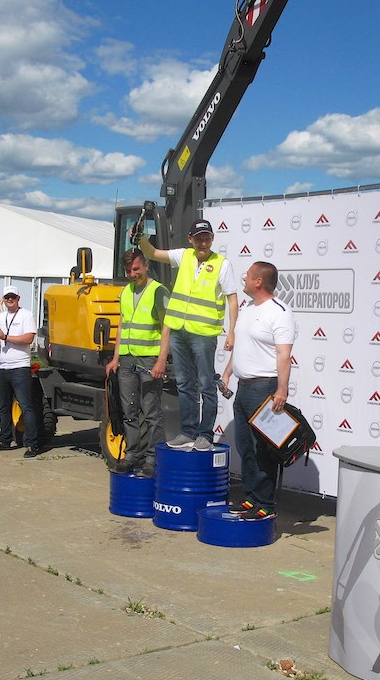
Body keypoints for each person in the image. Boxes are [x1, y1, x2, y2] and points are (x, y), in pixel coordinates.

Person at [139, 218, 238, 451]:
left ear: (212, 239)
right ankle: (188, 431)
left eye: (207, 237)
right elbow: (152, 253)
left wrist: (231, 332)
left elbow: (232, 299)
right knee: (184, 384)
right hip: (179, 331)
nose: (203, 242)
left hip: (203, 334)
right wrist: (139, 238)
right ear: (190, 239)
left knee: (205, 384)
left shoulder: (222, 264)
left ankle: (205, 433)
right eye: (199, 237)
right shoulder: (184, 255)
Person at [220, 262, 296, 521]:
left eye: (248, 276)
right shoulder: (248, 308)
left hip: (265, 388)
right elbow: (242, 346)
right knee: (245, 446)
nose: (244, 279)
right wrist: (228, 372)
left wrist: (282, 389)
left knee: (262, 448)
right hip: (243, 388)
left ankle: (266, 504)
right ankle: (251, 498)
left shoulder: (280, 312)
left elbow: (283, 354)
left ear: (258, 282)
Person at [105, 249, 170, 476]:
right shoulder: (125, 292)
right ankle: (133, 455)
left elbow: (166, 327)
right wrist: (115, 358)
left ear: (145, 267)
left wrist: (161, 361)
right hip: (127, 359)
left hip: (149, 360)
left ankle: (153, 458)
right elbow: (123, 326)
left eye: (136, 269)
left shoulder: (157, 291)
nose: (133, 274)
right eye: (128, 270)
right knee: (129, 411)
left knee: (151, 413)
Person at [0, 286, 40, 456]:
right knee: (3, 407)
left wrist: (5, 338)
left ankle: (32, 444)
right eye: (7, 297)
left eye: (12, 297)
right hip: (2, 367)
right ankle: (5, 440)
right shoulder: (1, 316)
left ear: (18, 298)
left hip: (20, 366)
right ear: (3, 299)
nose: (10, 300)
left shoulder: (26, 315)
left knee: (26, 406)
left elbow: (29, 338)